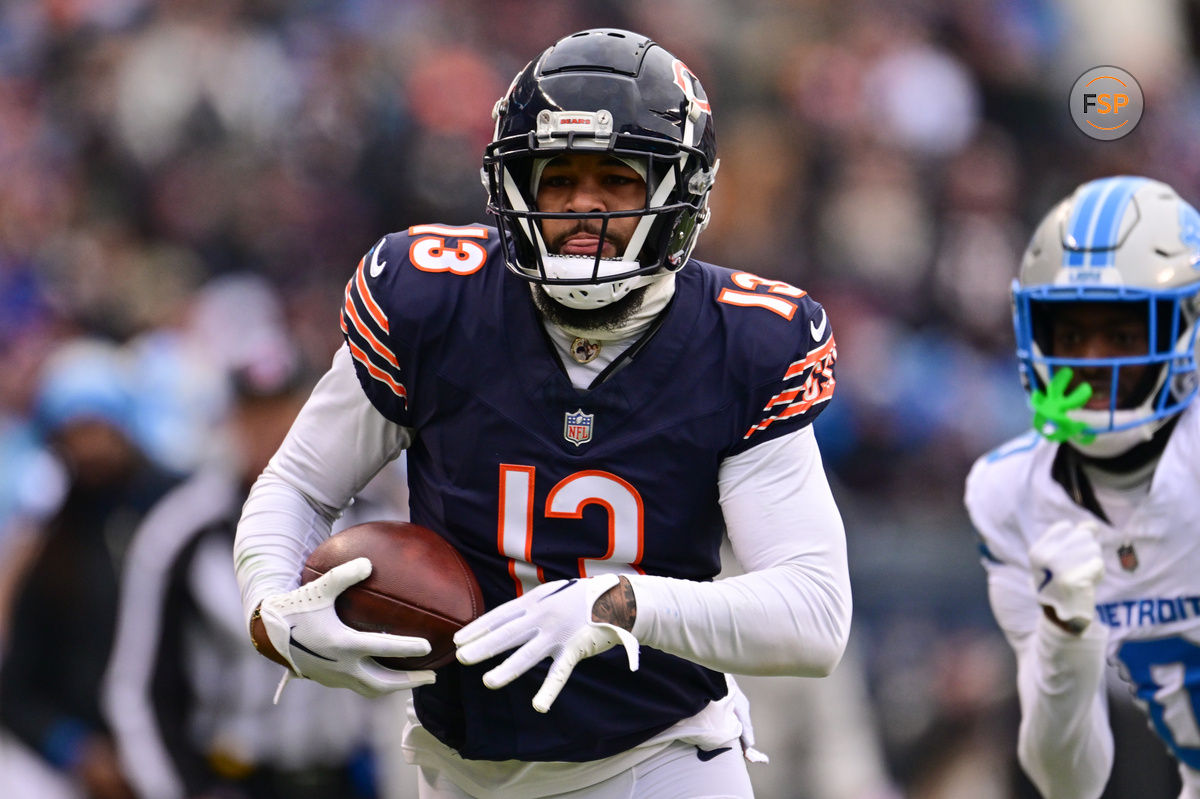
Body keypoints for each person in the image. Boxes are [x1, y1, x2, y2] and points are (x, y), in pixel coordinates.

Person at [235, 28, 851, 798]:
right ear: (512, 187)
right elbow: (298, 485)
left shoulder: (744, 341)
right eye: (556, 177)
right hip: (450, 765)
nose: (582, 204)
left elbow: (813, 614)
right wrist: (271, 605)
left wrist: (619, 603)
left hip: (655, 761)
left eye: (617, 178)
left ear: (679, 192)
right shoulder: (432, 304)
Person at [101, 287, 389, 799]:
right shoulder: (180, 531)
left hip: (347, 778)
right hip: (233, 780)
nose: (272, 431)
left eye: (285, 411)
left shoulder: (376, 526)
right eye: (254, 415)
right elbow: (137, 691)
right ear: (229, 420)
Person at [965, 175, 1200, 798]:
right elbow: (1067, 784)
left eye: (1123, 335)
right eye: (1072, 335)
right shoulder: (1007, 491)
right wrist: (1066, 639)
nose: (1093, 360)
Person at [0, 338, 180, 799]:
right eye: (74, 434)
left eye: (99, 429)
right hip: (81, 764)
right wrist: (72, 749)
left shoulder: (180, 514)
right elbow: (17, 685)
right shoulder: (53, 541)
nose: (89, 448)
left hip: (181, 751)